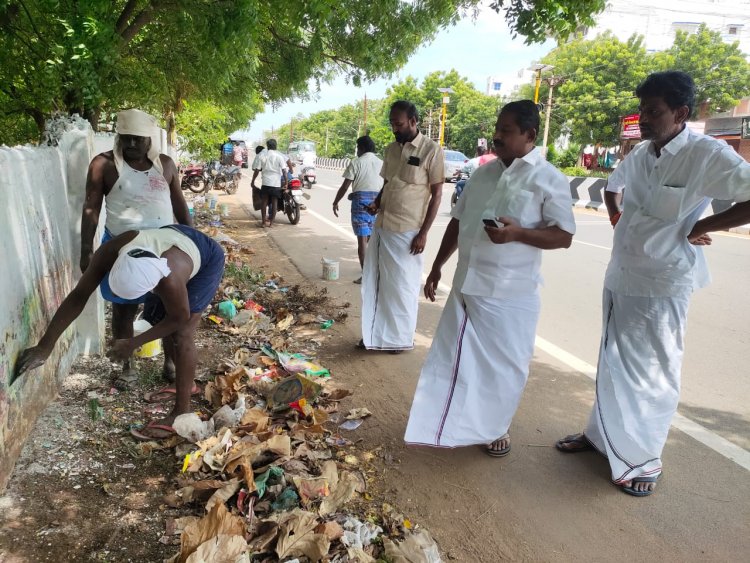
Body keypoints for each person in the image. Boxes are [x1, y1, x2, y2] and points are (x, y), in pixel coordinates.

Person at [556, 71, 750, 496]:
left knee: (654, 373)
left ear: (680, 113)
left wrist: (704, 222)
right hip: (622, 273)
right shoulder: (642, 153)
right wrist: (615, 216)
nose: (643, 118)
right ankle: (600, 436)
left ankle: (644, 461)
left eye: (653, 111)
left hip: (663, 283)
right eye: (642, 109)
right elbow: (613, 187)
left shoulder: (705, 154)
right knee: (613, 361)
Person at [404, 100, 575, 456]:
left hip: (510, 296)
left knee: (504, 369)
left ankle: (497, 428)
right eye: (497, 129)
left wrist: (519, 234)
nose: (496, 137)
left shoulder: (548, 179)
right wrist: (437, 267)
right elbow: (458, 221)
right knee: (456, 360)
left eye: (506, 131)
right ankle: (455, 423)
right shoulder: (482, 173)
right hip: (468, 287)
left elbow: (564, 236)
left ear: (529, 135)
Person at [15, 224, 225, 440]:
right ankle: (182, 383)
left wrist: (133, 343)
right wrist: (44, 346)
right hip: (173, 236)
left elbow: (178, 318)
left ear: (154, 285)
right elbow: (78, 296)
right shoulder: (109, 252)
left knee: (181, 334)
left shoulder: (170, 277)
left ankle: (181, 411)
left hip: (205, 256)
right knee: (162, 321)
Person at [80, 108, 192, 389]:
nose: (131, 144)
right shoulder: (104, 165)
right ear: (118, 137)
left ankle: (171, 363)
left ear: (149, 139)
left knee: (168, 307)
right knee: (124, 309)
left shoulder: (165, 165)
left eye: (137, 140)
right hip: (123, 248)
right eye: (126, 138)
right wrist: (86, 250)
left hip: (165, 248)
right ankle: (126, 366)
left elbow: (179, 204)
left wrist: (191, 236)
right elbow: (91, 208)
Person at [359, 100, 445, 353]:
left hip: (408, 231)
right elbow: (387, 183)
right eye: (392, 123)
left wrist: (424, 233)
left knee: (402, 287)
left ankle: (398, 340)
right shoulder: (390, 149)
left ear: (414, 121)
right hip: (383, 225)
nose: (394, 128)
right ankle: (373, 336)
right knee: (376, 283)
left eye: (399, 123)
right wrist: (376, 202)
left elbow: (437, 194)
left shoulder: (431, 151)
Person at [332, 136, 384, 283]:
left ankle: (367, 277)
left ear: (361, 148)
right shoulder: (382, 163)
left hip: (361, 201)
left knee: (362, 240)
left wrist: (336, 201)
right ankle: (375, 272)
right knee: (373, 240)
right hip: (378, 201)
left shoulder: (356, 162)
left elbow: (345, 186)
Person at [250, 139, 288, 228]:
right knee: (274, 202)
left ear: (267, 146)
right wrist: (286, 182)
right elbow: (284, 171)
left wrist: (253, 181)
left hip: (266, 182)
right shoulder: (279, 157)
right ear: (276, 146)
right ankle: (271, 223)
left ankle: (263, 222)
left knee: (264, 202)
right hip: (276, 183)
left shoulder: (262, 156)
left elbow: (257, 170)